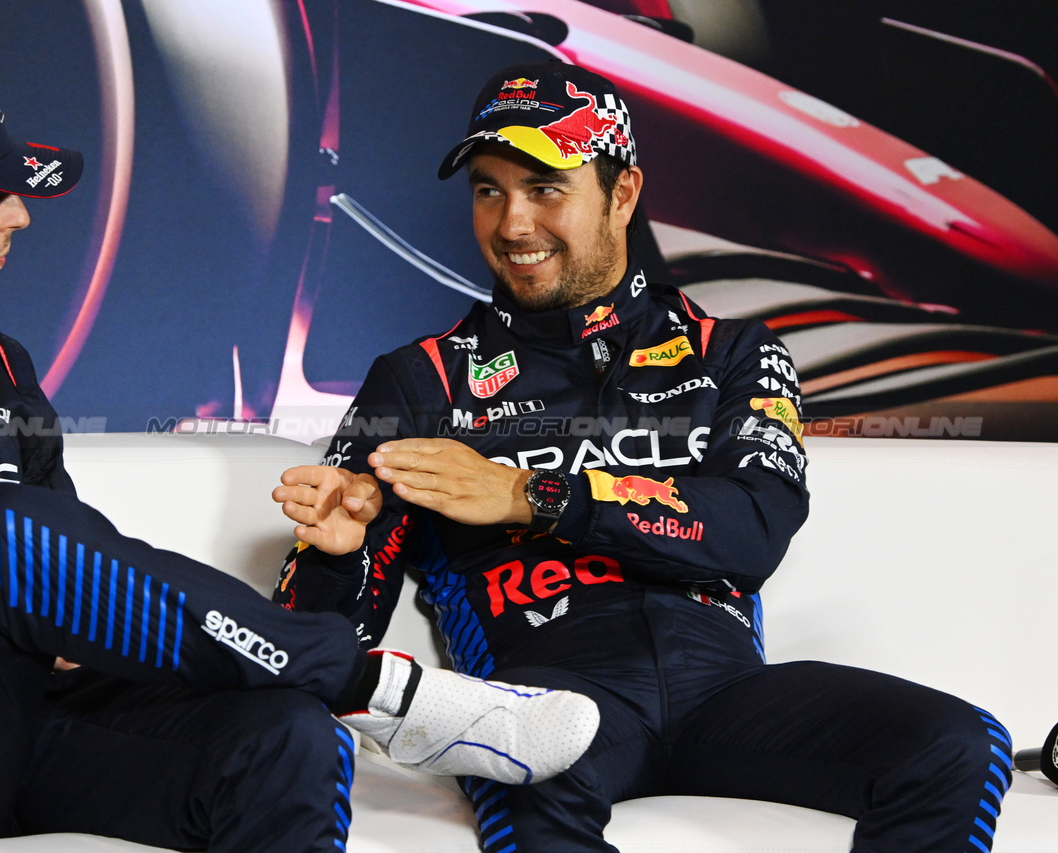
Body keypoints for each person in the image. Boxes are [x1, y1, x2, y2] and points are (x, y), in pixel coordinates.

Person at [0, 57, 600, 851]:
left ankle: (341, 695)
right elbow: (16, 543)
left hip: (19, 717)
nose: (20, 215)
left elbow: (58, 550)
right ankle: (387, 692)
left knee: (284, 736)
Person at [274, 61, 1013, 853]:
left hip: (727, 695)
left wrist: (528, 493)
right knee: (524, 776)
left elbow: (752, 530)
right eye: (489, 190)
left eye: (545, 187)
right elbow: (315, 651)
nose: (512, 224)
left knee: (959, 742)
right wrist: (333, 555)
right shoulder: (421, 377)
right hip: (545, 702)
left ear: (622, 193)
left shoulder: (734, 353)